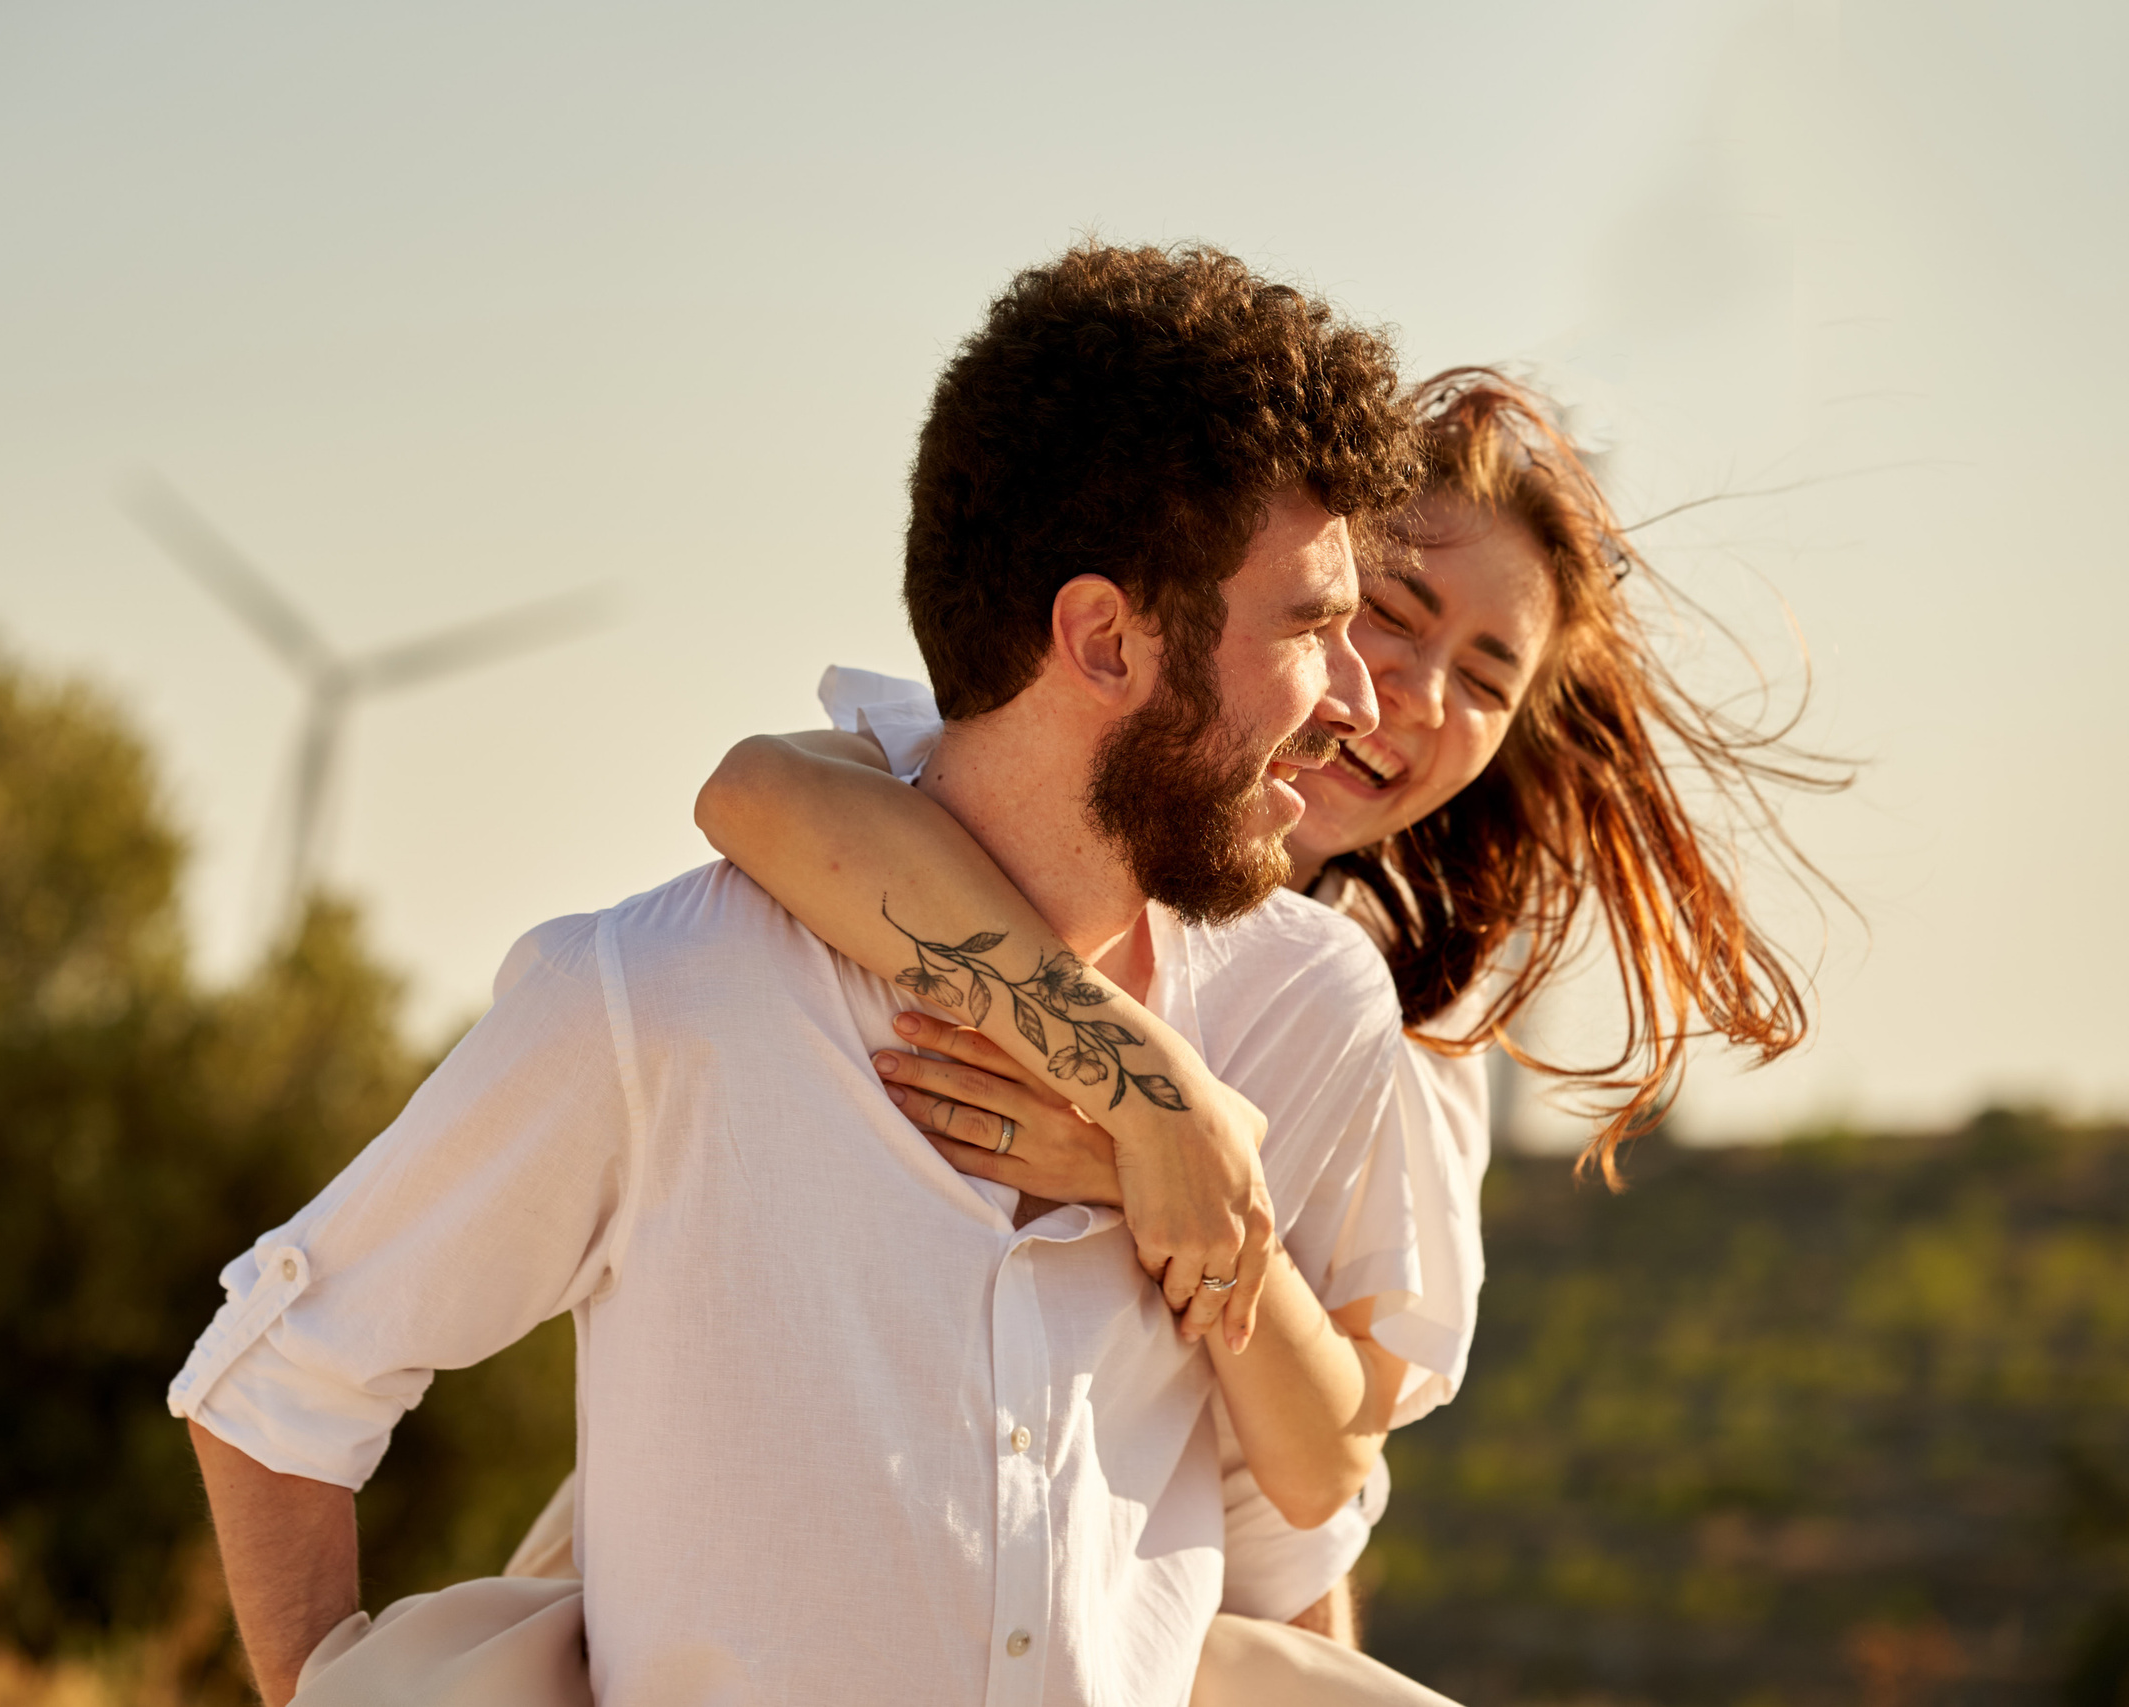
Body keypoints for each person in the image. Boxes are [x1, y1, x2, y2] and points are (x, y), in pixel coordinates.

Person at [169, 240, 1446, 1707]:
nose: (1356, 701)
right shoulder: (664, 1003)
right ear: (1102, 636)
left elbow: (1289, 1544)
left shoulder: (1295, 1010)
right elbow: (275, 1388)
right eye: (1312, 624)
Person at [664, 366, 1834, 1650]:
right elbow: (761, 794)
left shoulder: (1391, 1018)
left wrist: (1141, 1169)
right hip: (821, 1542)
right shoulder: (1003, 816)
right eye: (1390, 611)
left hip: (1205, 1619)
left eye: (1489, 681)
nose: (1415, 697)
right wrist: (1148, 1092)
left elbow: (1324, 1465)